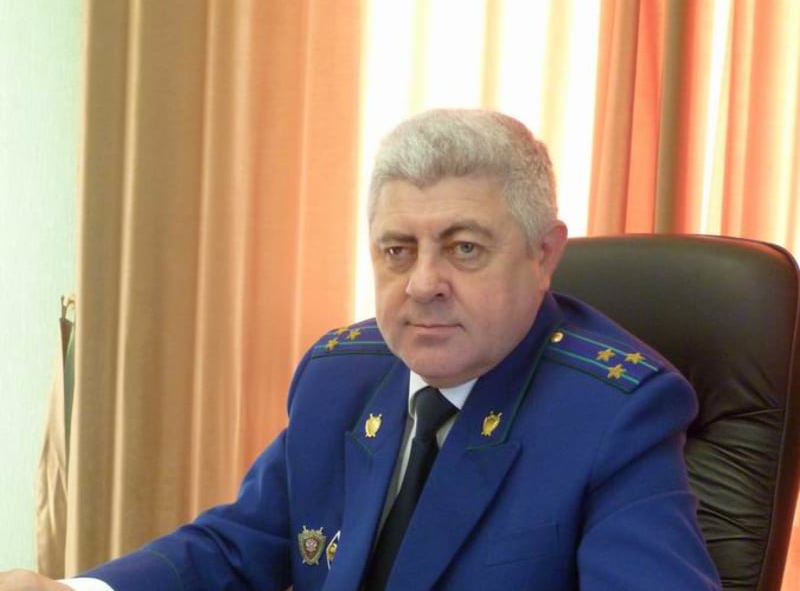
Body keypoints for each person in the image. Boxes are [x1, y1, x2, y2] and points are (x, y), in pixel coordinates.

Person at [0, 109, 722, 590]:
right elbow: (239, 546)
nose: (423, 284)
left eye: (464, 248)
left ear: (543, 255)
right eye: (397, 250)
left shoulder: (613, 416)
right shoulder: (340, 375)